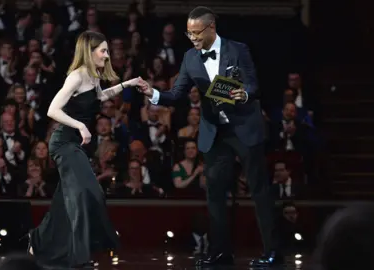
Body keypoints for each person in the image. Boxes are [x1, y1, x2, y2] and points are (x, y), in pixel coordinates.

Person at [138, 6, 281, 267]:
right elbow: (176, 93)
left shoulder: (238, 49)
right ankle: (220, 253)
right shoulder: (190, 58)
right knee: (214, 194)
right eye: (189, 33)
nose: (192, 38)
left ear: (211, 27)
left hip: (244, 128)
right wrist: (153, 93)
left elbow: (253, 83)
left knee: (259, 191)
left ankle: (272, 252)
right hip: (215, 133)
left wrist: (244, 94)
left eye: (196, 33)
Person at [28, 31, 140, 268]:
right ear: (89, 52)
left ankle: (37, 240)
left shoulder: (93, 76)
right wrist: (81, 126)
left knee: (65, 201)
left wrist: (129, 83)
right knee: (85, 195)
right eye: (103, 51)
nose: (107, 56)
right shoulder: (76, 76)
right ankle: (80, 257)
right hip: (63, 143)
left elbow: (100, 97)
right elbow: (52, 110)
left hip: (76, 145)